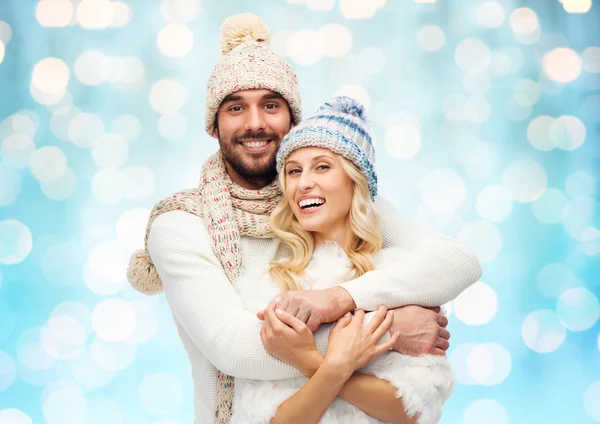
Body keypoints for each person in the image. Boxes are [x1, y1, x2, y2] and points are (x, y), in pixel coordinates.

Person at [127, 12, 481, 423]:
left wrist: (340, 301)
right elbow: (235, 347)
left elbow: (458, 261)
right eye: (236, 107)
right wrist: (389, 328)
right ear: (214, 125)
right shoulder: (182, 224)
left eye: (271, 105)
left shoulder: (324, 199)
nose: (255, 123)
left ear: (292, 119)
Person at [230, 96, 455, 424]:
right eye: (293, 171)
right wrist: (339, 360)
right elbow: (266, 419)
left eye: (322, 166)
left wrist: (309, 360)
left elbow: (411, 410)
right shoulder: (269, 285)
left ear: (355, 179)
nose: (304, 182)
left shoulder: (401, 278)